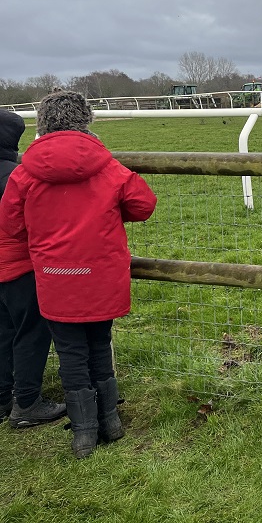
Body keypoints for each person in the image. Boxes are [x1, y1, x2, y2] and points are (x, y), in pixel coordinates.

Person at [0, 90, 157, 458]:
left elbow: (11, 224)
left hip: (55, 275)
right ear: (85, 121)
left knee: (70, 351)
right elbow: (143, 205)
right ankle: (110, 422)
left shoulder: (24, 174)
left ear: (42, 123)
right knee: (99, 344)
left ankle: (83, 434)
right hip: (101, 274)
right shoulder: (108, 168)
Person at [0, 110, 66, 429]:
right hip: (18, 267)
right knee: (31, 331)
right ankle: (27, 402)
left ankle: (2, 398)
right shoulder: (17, 176)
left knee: (2, 332)